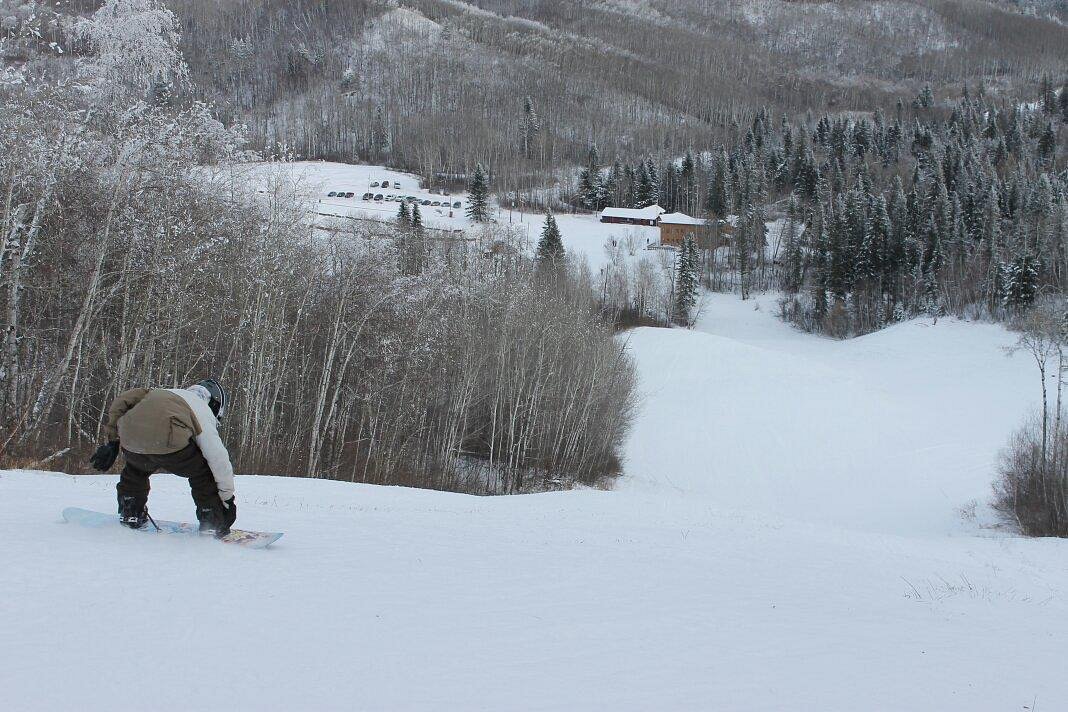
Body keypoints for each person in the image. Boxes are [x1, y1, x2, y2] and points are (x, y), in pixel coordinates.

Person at [89, 379, 237, 537]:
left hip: (131, 437)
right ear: (215, 405)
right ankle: (212, 521)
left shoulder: (159, 392)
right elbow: (217, 459)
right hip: (169, 439)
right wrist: (227, 499)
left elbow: (123, 400)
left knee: (136, 468)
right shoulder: (201, 409)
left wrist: (113, 442)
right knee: (202, 473)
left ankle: (131, 510)